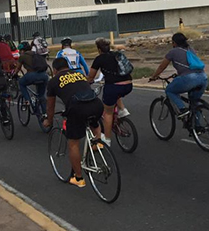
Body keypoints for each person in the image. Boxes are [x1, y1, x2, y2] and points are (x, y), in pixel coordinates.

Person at [44, 58, 103, 188]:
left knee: (73, 143)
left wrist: (49, 120)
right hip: (96, 105)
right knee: (94, 123)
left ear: (54, 70)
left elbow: (50, 105)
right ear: (68, 66)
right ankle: (97, 143)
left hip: (77, 108)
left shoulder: (53, 81)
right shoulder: (80, 74)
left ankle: (78, 178)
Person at [86, 38, 132, 147]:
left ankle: (107, 139)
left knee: (108, 112)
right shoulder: (117, 54)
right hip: (128, 84)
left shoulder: (99, 59)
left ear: (98, 49)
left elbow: (91, 76)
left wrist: (88, 82)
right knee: (116, 95)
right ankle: (122, 110)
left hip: (113, 87)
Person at [149, 33, 207, 117]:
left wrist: (154, 77)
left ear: (175, 43)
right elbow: (189, 65)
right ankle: (197, 128)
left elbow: (162, 67)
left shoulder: (173, 52)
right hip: (203, 77)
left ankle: (182, 109)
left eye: (172, 42)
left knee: (169, 90)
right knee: (194, 104)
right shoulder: (190, 49)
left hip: (189, 79)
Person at [13, 41, 48, 116]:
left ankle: (28, 100)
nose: (19, 52)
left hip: (32, 75)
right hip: (44, 76)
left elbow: (17, 68)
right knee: (41, 95)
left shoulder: (22, 56)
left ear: (22, 50)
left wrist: (14, 75)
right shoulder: (36, 54)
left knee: (21, 83)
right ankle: (45, 114)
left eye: (20, 50)